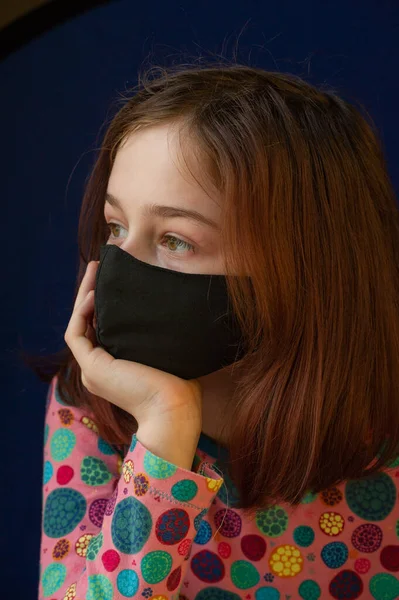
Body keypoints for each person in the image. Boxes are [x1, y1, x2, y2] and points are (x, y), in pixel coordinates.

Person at [37, 63, 399, 600]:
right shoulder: (89, 401)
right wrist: (163, 432)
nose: (118, 269)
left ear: (304, 266)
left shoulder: (383, 429)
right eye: (116, 228)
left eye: (176, 240)